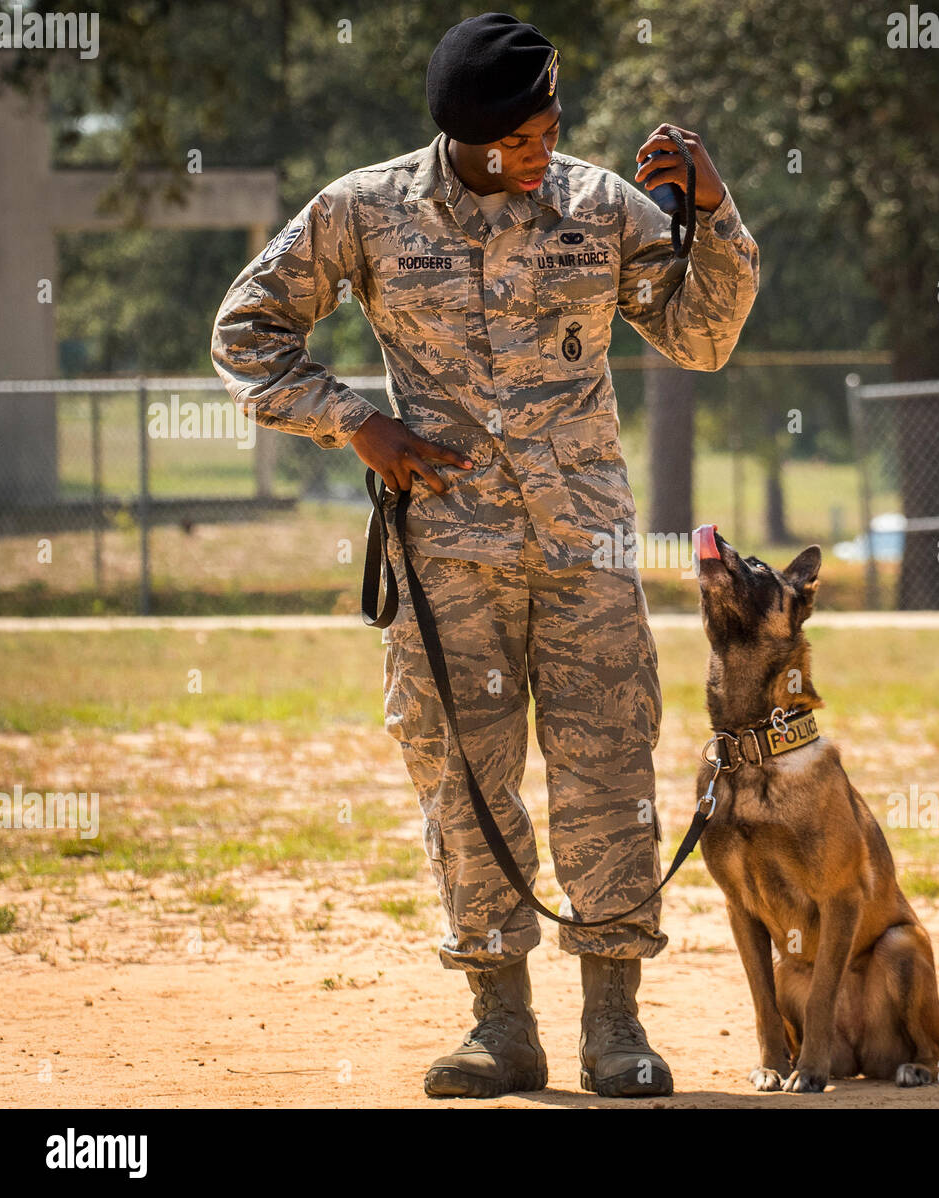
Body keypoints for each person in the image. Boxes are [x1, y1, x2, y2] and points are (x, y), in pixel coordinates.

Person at [211, 11, 759, 1099]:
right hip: (447, 557)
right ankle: (499, 1023)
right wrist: (354, 422)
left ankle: (615, 1027)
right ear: (468, 136)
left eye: (552, 125)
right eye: (523, 137)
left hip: (585, 549)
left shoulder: (602, 208)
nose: (543, 149)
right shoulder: (365, 210)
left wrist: (712, 212)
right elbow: (247, 332)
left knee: (607, 771)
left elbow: (701, 338)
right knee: (463, 779)